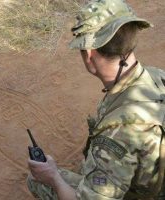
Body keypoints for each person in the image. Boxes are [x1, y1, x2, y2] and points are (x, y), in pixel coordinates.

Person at [27, 0, 165, 199]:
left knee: (37, 181)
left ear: (89, 54)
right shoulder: (157, 76)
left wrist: (53, 177)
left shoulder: (115, 134)